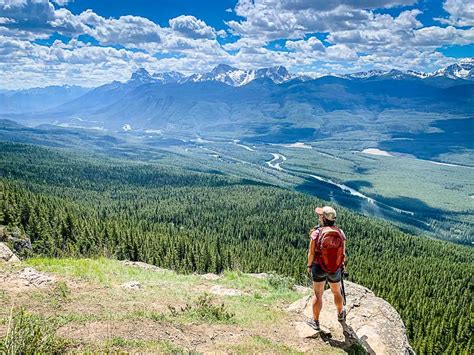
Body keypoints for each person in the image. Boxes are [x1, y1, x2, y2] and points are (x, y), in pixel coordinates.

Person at [306, 206, 346, 331]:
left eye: (320, 215)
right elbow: (343, 252)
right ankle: (340, 314)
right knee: (336, 292)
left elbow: (311, 253)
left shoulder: (316, 233)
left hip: (319, 266)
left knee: (318, 294)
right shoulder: (340, 232)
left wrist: (309, 265)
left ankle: (316, 321)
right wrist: (341, 265)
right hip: (335, 267)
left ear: (323, 218)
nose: (318, 217)